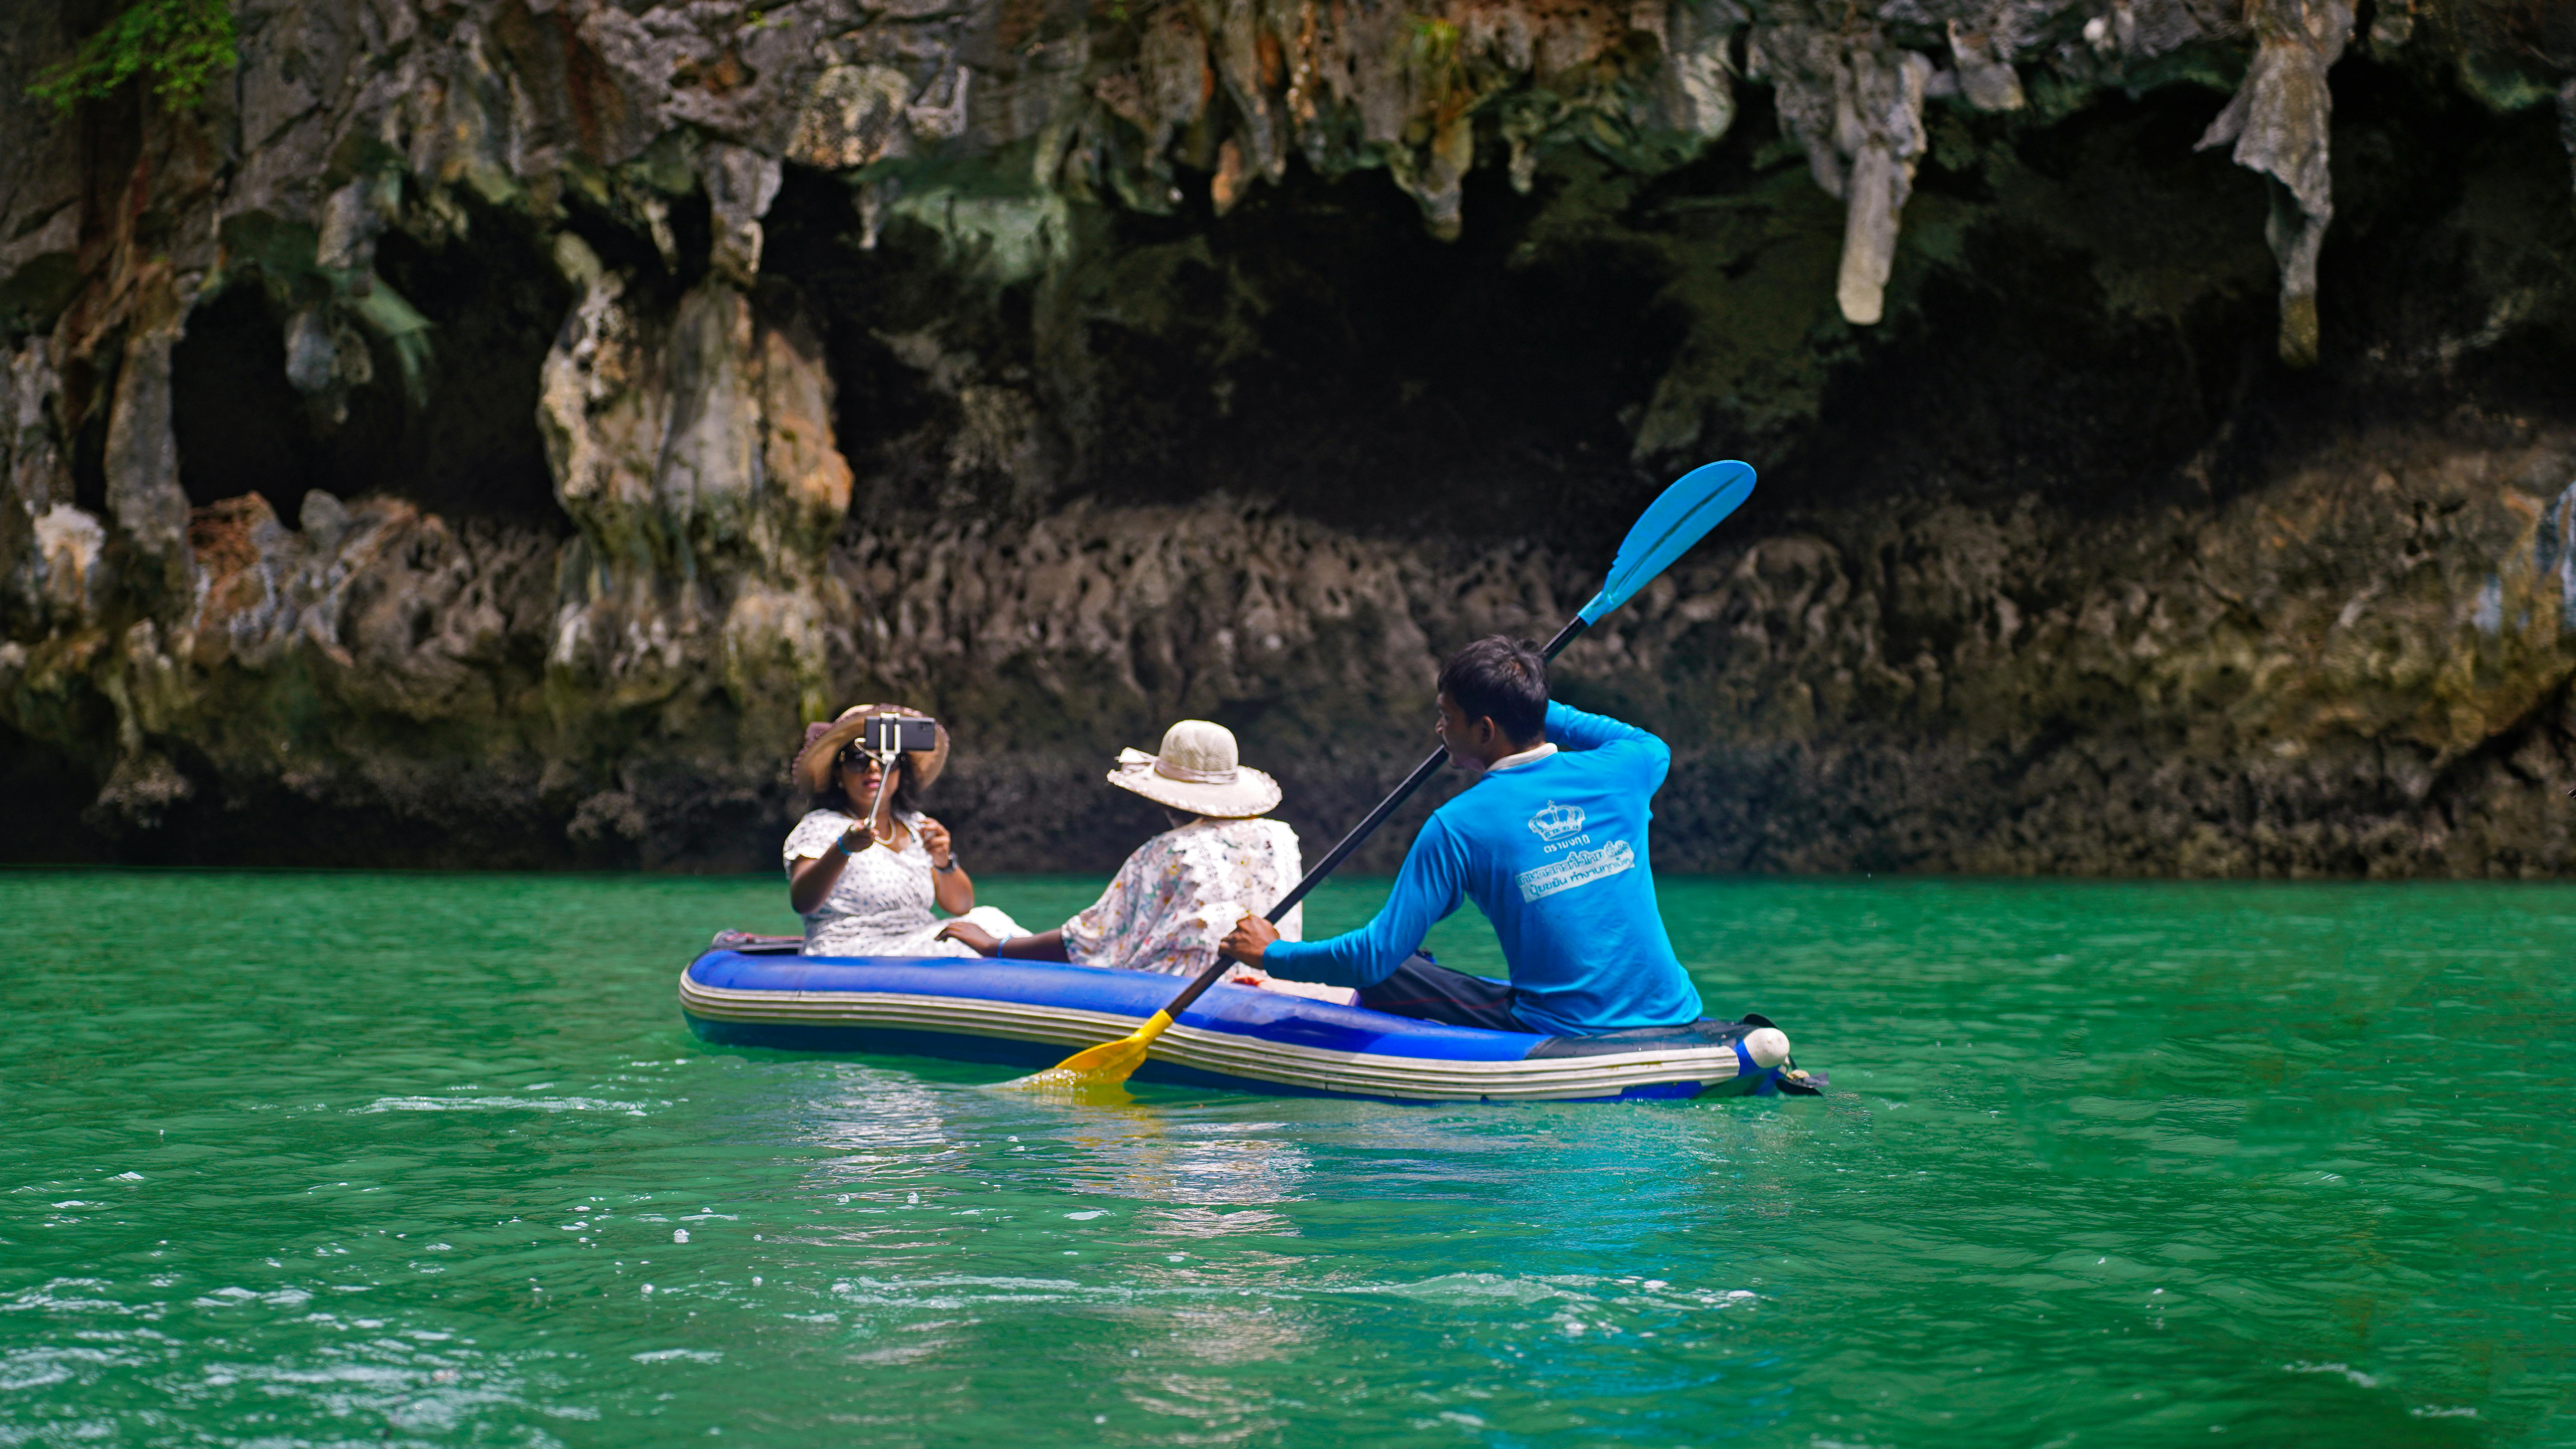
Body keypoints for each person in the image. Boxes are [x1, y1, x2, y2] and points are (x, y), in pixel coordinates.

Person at [1219, 636, 1702, 1036]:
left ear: (1486, 730)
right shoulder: (1628, 766)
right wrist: (1524, 701)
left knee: (1398, 971)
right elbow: (1644, 741)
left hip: (1566, 1029)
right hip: (1674, 1009)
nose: (1440, 727)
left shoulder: (1456, 825)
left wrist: (1272, 954)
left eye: (1448, 716)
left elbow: (1374, 957)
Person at [939, 720, 1350, 1003]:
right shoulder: (1281, 836)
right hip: (1268, 979)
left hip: (1188, 991)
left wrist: (996, 946)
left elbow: (1086, 941)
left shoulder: (1168, 851)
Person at [784, 703, 1025, 958]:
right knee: (966, 943)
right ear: (838, 774)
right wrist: (843, 849)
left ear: (901, 772)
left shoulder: (916, 825)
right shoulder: (820, 825)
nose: (874, 768)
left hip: (916, 939)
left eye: (889, 760)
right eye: (858, 759)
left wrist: (943, 861)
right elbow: (803, 902)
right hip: (851, 948)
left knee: (987, 918)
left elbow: (962, 906)